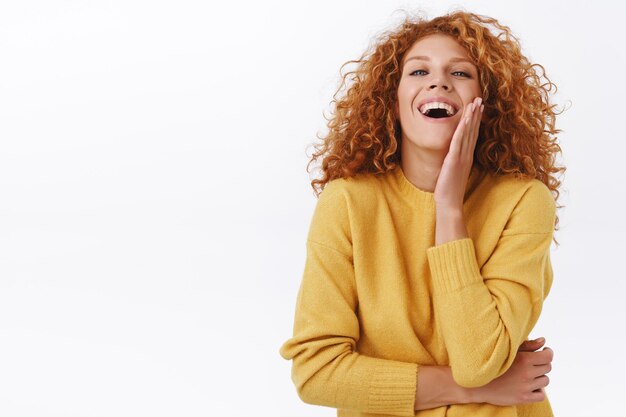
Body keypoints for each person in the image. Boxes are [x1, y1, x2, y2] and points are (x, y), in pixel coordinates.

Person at [279, 9, 565, 417]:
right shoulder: (347, 203)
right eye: (417, 72)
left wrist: (449, 208)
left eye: (461, 73)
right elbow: (316, 373)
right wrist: (472, 390)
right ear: (390, 102)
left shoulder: (523, 201)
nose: (438, 81)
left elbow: (479, 360)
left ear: (487, 103)